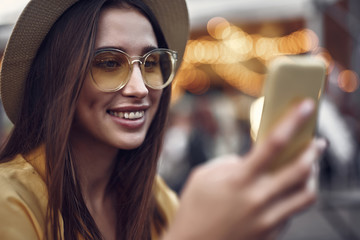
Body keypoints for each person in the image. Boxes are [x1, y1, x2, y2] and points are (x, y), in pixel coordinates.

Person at [0, 0, 326, 239]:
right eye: (110, 63)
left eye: (152, 62)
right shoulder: (9, 200)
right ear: (58, 76)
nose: (140, 89)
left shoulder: (154, 197)